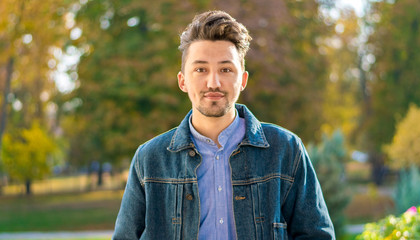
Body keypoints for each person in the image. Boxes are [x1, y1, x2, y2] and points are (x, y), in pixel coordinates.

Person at [112, 10, 335, 240]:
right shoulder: (149, 159)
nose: (213, 82)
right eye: (201, 69)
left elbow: (317, 235)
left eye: (226, 69)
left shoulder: (286, 149)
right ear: (183, 81)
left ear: (243, 80)